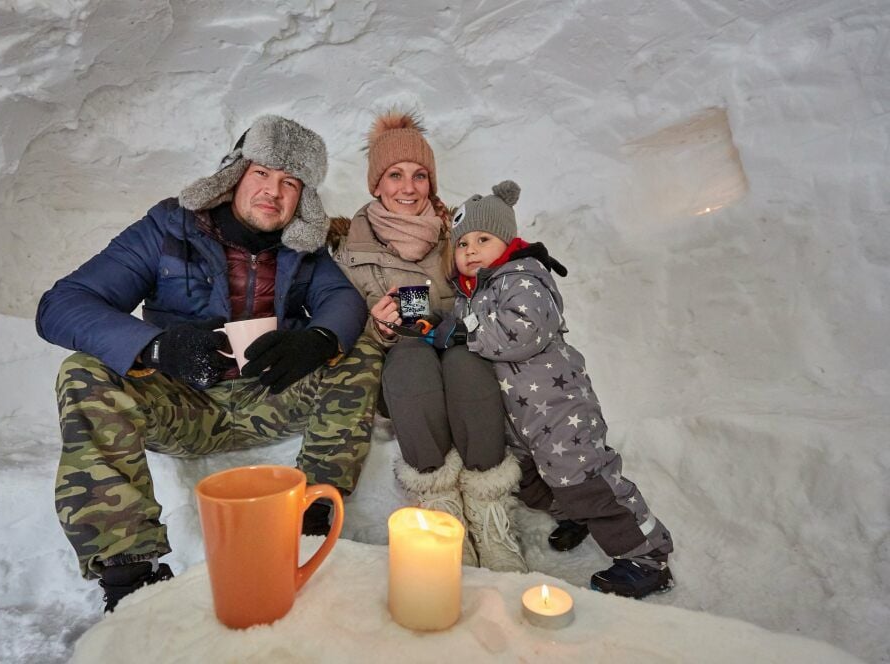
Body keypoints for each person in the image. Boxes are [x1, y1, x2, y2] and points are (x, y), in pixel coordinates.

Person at [36, 115, 382, 612]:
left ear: (301, 198)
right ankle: (131, 573)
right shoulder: (168, 227)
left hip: (268, 396)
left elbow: (342, 301)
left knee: (356, 347)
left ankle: (311, 521)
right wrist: (157, 347)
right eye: (262, 173)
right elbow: (63, 304)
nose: (273, 192)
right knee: (83, 372)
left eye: (290, 183)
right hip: (183, 405)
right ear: (235, 174)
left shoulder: (302, 247)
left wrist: (317, 339)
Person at [428, 179, 674, 598]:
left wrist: (461, 330)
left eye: (482, 239)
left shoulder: (522, 277)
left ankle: (646, 556)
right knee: (529, 480)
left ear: (507, 240)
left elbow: (522, 332)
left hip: (558, 409)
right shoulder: (473, 293)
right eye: (463, 243)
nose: (470, 250)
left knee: (586, 481)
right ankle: (574, 516)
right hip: (519, 419)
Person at [329, 111, 527, 572]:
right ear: (376, 184)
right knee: (411, 365)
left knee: (466, 365)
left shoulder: (460, 235)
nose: (408, 187)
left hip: (462, 345)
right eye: (395, 175)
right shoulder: (347, 248)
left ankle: (489, 510)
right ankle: (440, 507)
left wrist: (449, 312)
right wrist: (373, 327)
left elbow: (497, 291)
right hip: (398, 358)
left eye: (420, 176)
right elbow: (337, 320)